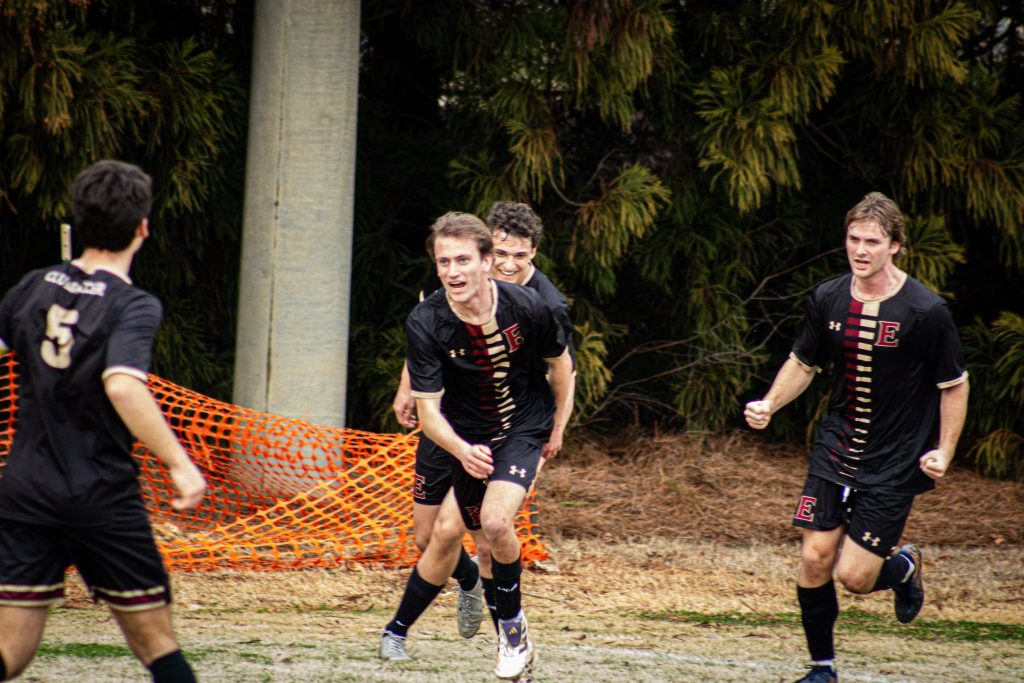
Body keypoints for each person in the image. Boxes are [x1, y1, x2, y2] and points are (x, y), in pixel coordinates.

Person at [744, 192, 969, 683]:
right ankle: (822, 669)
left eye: (872, 242)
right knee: (814, 558)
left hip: (895, 457)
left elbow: (954, 384)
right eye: (853, 239)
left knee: (855, 577)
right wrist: (769, 403)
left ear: (896, 246)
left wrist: (945, 449)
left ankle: (903, 567)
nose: (860, 250)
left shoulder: (925, 310)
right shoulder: (828, 298)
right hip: (837, 446)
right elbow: (804, 362)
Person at [0, 160, 207, 682]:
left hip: (26, 491)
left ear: (79, 219)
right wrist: (181, 465)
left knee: (10, 653)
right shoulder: (131, 305)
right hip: (101, 494)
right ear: (143, 228)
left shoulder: (32, 286)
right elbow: (122, 385)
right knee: (159, 648)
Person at [380, 212, 574, 680]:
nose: (452, 271)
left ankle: (511, 632)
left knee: (493, 523)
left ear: (485, 262)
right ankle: (474, 591)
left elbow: (561, 366)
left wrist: (556, 427)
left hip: (522, 425)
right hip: (461, 433)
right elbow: (430, 415)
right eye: (444, 262)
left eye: (463, 260)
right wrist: (461, 448)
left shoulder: (534, 305)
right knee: (439, 538)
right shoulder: (427, 319)